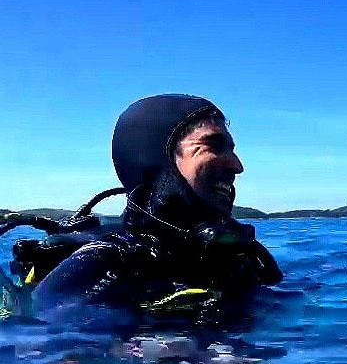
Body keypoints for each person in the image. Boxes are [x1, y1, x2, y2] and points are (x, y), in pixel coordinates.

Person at [31, 94, 282, 312]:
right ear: (156, 160)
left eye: (231, 150)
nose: (237, 166)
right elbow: (42, 341)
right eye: (213, 146)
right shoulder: (104, 262)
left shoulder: (241, 255)